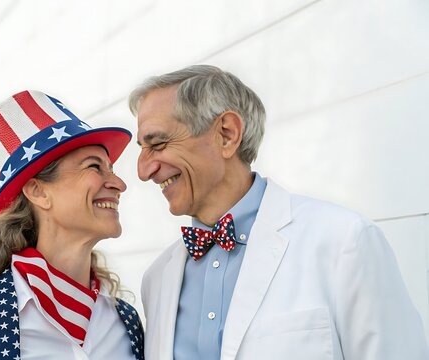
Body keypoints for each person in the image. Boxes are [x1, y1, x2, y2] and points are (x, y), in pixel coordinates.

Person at [128, 65, 429, 360]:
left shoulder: (345, 242)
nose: (143, 170)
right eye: (142, 149)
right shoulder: (156, 279)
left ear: (227, 134)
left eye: (158, 143)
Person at [0, 90, 144, 360]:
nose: (119, 185)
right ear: (38, 192)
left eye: (112, 169)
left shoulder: (126, 322)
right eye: (94, 167)